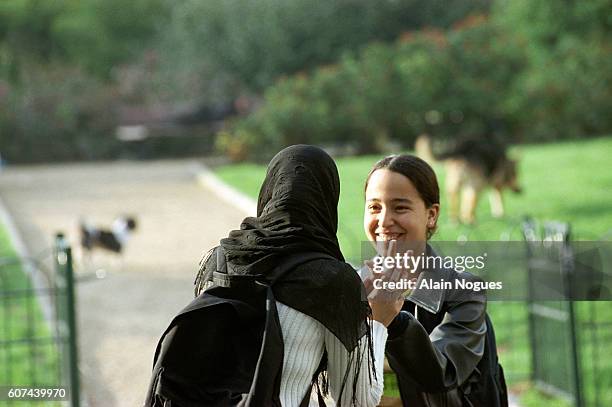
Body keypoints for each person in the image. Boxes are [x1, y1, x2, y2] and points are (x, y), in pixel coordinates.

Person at [146, 145, 402, 407]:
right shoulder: (333, 281)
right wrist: (377, 321)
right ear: (327, 201)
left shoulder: (220, 258)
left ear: (269, 192)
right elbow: (356, 400)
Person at [361, 154, 508, 407]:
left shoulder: (463, 294)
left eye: (400, 207)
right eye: (375, 207)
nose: (384, 221)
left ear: (431, 215)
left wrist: (391, 322)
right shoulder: (351, 287)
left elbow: (441, 373)